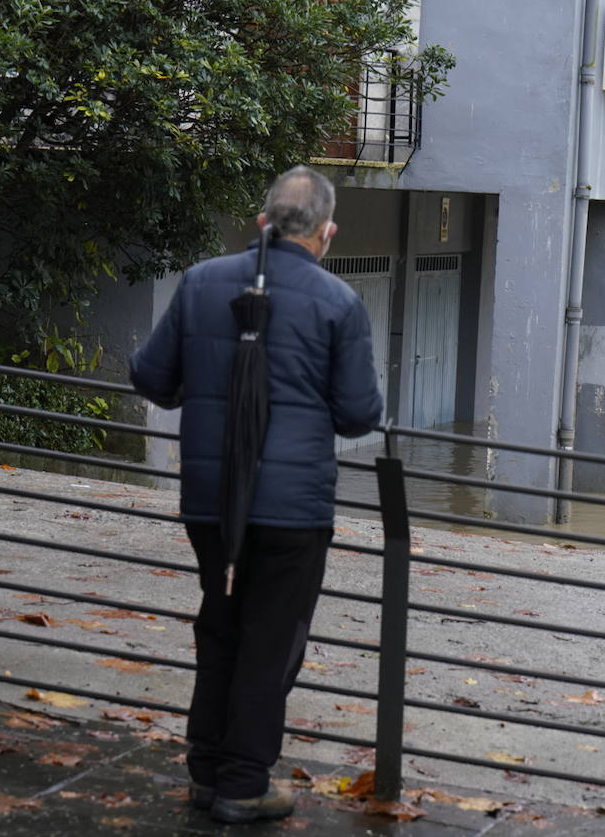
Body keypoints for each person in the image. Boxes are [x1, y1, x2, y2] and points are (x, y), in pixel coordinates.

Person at [130, 165, 383, 824]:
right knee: (271, 641)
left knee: (221, 624)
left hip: (212, 499)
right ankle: (243, 783)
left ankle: (207, 773)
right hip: (293, 510)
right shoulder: (339, 303)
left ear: (261, 220)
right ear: (326, 233)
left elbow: (153, 377)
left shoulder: (201, 282)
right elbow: (359, 413)